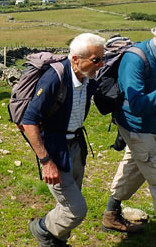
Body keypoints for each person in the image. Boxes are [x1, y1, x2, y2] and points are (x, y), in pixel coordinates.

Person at [102, 17, 156, 247]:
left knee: (134, 166)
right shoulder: (134, 59)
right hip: (136, 128)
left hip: (151, 126)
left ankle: (110, 215)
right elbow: (137, 105)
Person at [23, 33, 106, 246]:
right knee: (76, 209)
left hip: (76, 145)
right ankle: (41, 229)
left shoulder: (89, 77)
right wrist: (45, 161)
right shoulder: (54, 79)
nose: (101, 64)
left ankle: (56, 241)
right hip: (56, 149)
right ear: (76, 59)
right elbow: (29, 121)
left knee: (69, 202)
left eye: (102, 58)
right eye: (96, 59)